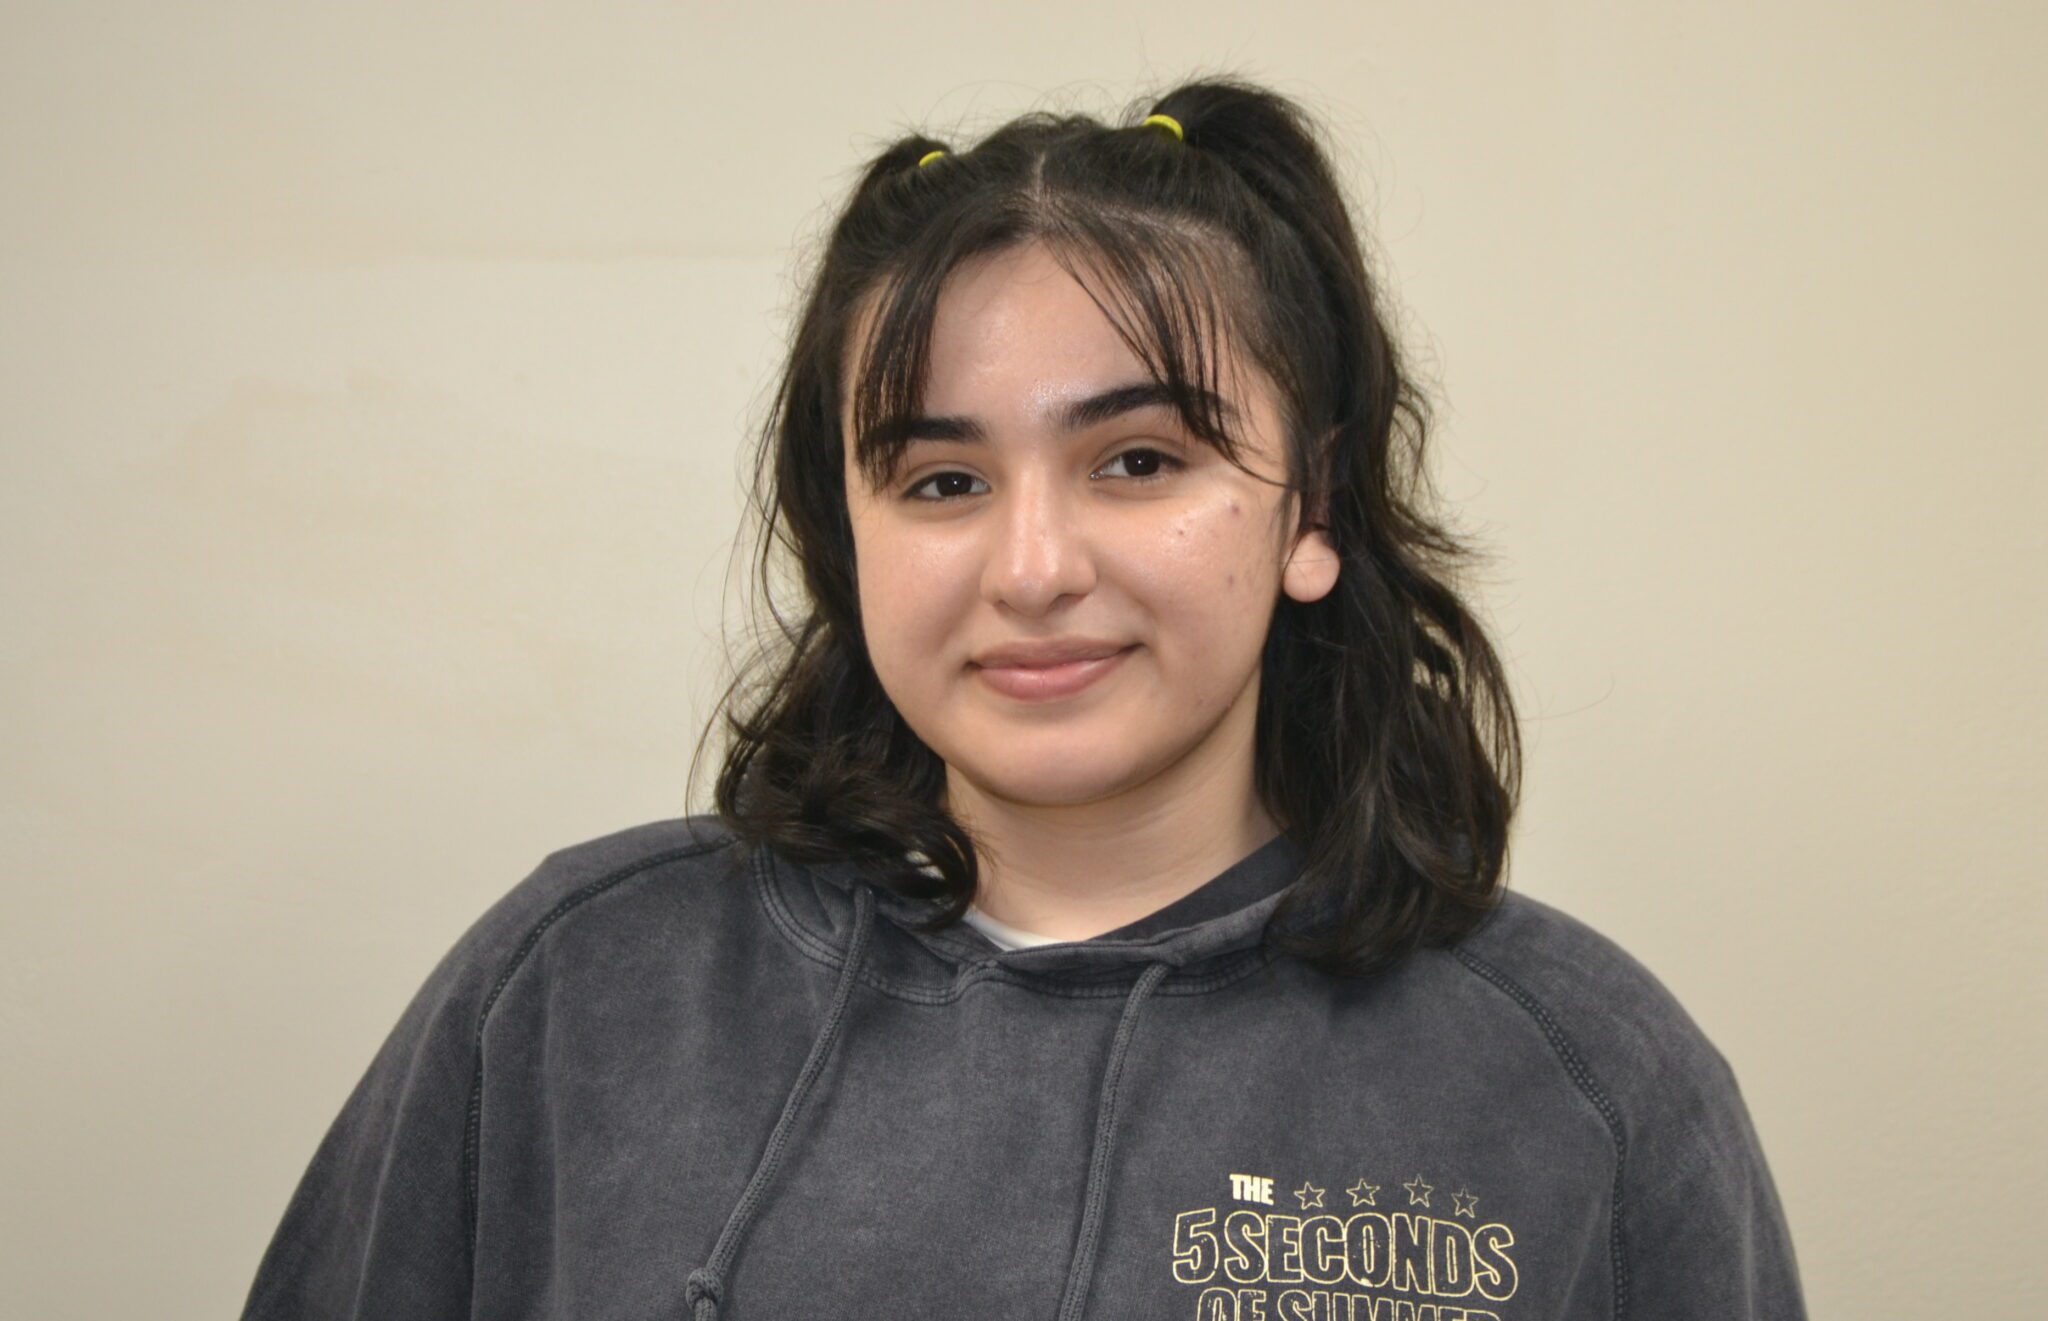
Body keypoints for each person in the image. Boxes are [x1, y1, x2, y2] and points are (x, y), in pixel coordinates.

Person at [238, 76, 1807, 1320]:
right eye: (942, 479)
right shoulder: (571, 996)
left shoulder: (1585, 1083)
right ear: (848, 539)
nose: (1035, 565)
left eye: (1140, 459)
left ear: (1313, 507)